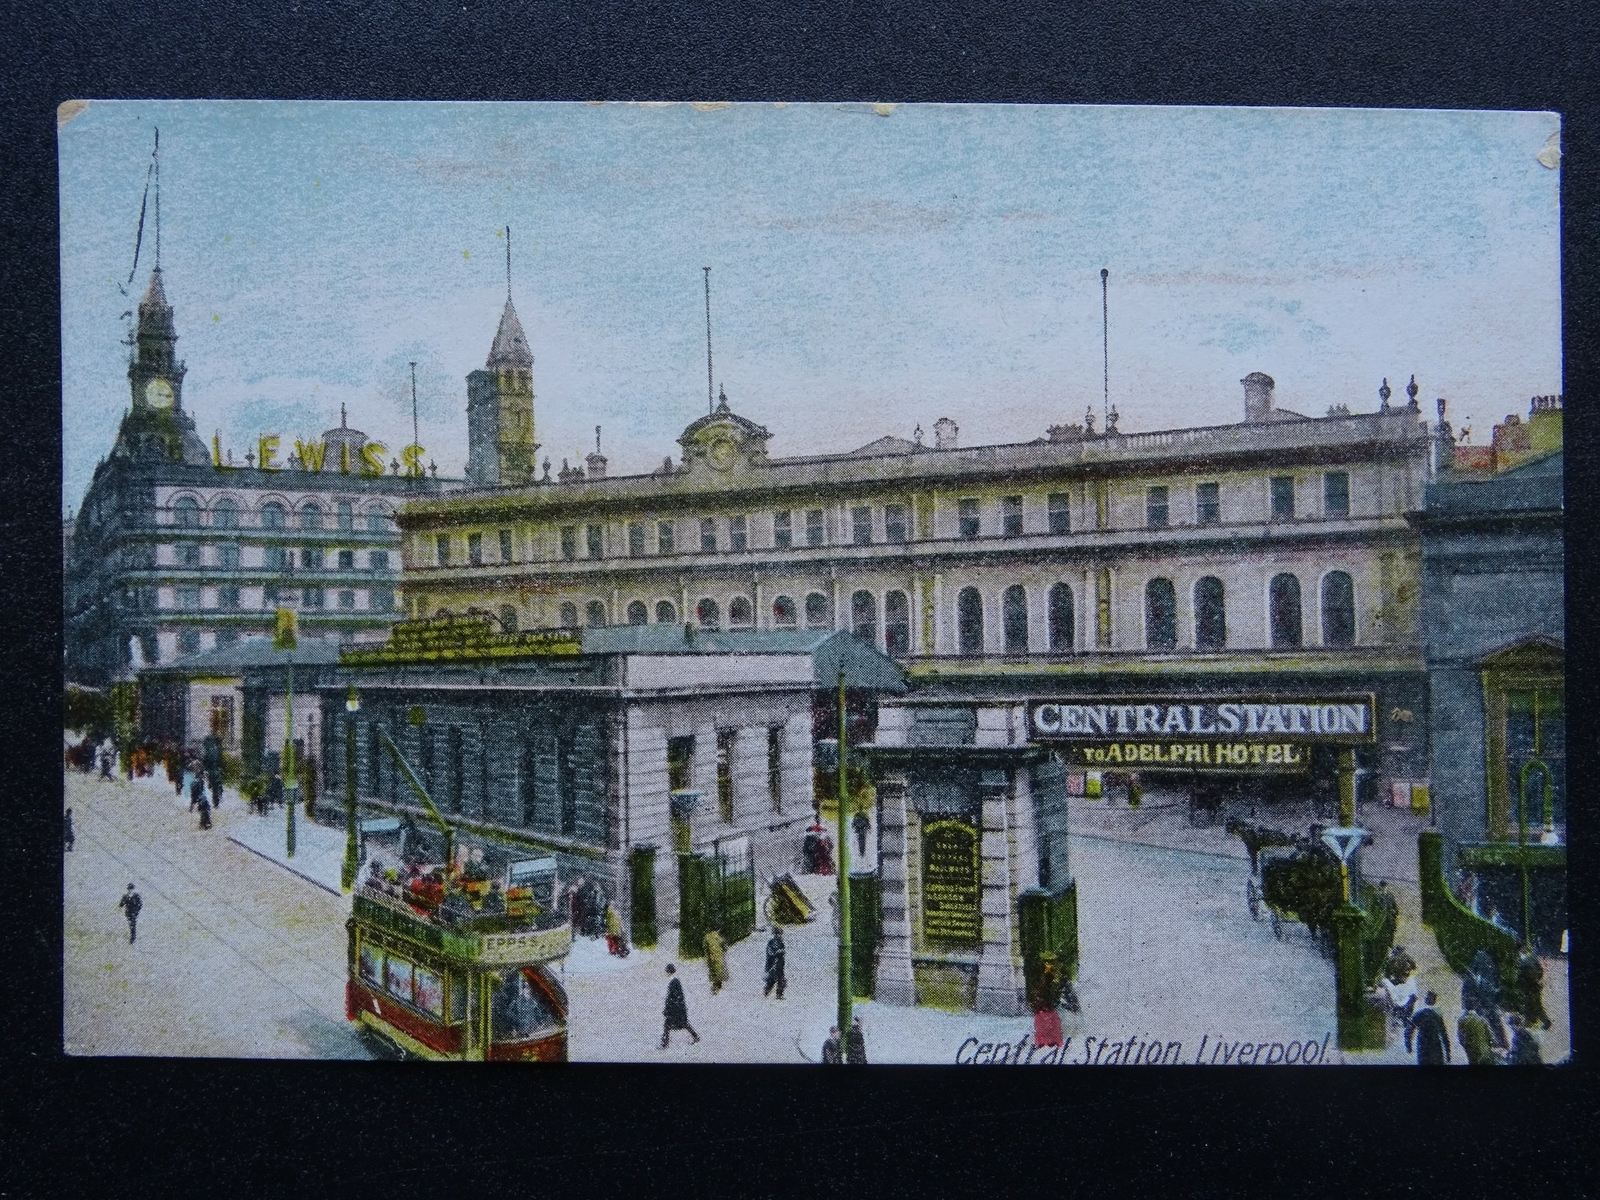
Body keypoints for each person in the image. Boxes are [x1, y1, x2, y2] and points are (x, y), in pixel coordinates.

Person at [660, 964, 699, 1048]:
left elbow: (676, 996)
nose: (666, 973)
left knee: (669, 1025)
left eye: (666, 971)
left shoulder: (674, 982)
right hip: (677, 1009)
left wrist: (669, 1007)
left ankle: (664, 1044)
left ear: (669, 971)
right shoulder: (674, 981)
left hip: (675, 1009)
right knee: (681, 1024)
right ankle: (695, 1036)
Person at [1515, 951, 1552, 1031]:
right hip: (1532, 986)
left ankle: (1543, 1021)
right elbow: (1539, 973)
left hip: (1530, 987)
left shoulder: (1521, 965)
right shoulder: (1527, 960)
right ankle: (1544, 1021)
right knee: (1536, 1005)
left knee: (1534, 1006)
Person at [1411, 991, 1450, 1065]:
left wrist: (1408, 1045)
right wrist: (1448, 1052)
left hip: (1423, 1046)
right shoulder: (1437, 1015)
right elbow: (1444, 1033)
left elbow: (1409, 1029)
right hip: (1434, 1045)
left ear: (1425, 1000)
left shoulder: (1419, 1014)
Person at [203, 731, 224, 809]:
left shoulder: (210, 747)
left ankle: (216, 801)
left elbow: (206, 760)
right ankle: (216, 801)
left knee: (215, 786)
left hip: (213, 770)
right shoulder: (216, 747)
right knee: (216, 786)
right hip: (215, 770)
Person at [764, 926, 787, 999]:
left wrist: (780, 953)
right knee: (772, 979)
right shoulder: (772, 942)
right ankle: (767, 990)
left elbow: (782, 951)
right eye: (778, 934)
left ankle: (779, 994)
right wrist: (777, 954)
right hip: (773, 964)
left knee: (781, 979)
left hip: (779, 964)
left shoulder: (780, 941)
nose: (779, 935)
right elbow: (771, 953)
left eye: (779, 934)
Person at [704, 928, 729, 994]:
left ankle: (715, 986)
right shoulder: (719, 937)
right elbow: (725, 947)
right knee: (718, 971)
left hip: (711, 957)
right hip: (718, 957)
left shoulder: (707, 936)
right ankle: (716, 987)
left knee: (713, 971)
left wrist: (707, 957)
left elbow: (705, 948)